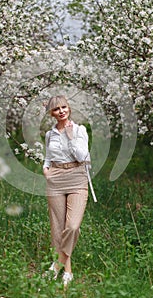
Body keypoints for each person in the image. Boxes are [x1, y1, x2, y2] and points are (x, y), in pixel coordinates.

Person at [43, 95, 92, 287]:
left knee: (72, 226)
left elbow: (82, 156)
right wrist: (45, 169)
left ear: (69, 108)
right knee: (58, 227)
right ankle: (68, 271)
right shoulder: (50, 134)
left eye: (64, 107)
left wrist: (71, 136)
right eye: (56, 109)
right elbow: (49, 155)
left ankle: (56, 265)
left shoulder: (80, 130)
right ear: (52, 113)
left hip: (77, 177)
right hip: (55, 178)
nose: (61, 111)